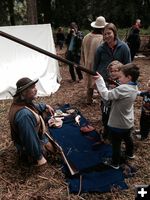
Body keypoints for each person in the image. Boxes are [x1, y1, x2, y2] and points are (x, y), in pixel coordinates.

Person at [94, 63, 140, 169]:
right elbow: (122, 90)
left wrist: (100, 80)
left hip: (117, 124)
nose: (119, 79)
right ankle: (130, 154)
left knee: (116, 144)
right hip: (128, 122)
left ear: (129, 77)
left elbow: (106, 95)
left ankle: (115, 163)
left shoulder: (123, 89)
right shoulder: (134, 86)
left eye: (120, 77)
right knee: (128, 138)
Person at [8, 77, 55, 166]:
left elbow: (34, 107)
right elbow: (29, 139)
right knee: (57, 150)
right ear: (23, 93)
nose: (36, 89)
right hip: (29, 149)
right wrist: (39, 158)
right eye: (33, 87)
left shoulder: (21, 103)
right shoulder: (24, 115)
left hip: (32, 140)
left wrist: (45, 106)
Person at [80, 16, 108, 104]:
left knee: (89, 83)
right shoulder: (102, 39)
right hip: (97, 65)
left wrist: (84, 62)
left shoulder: (86, 37)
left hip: (87, 64)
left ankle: (89, 99)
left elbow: (82, 52)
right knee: (100, 82)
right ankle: (104, 100)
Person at [101, 60, 123, 140]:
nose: (113, 73)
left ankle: (111, 137)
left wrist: (117, 87)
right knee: (105, 119)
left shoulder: (121, 83)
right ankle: (105, 134)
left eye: (115, 71)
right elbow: (104, 91)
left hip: (114, 108)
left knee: (112, 123)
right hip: (105, 105)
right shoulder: (108, 80)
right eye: (111, 71)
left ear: (121, 71)